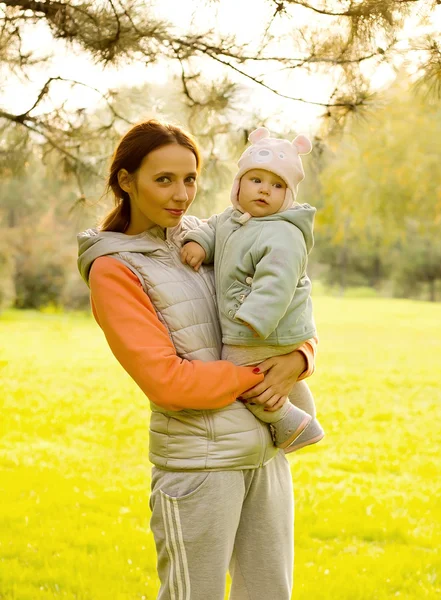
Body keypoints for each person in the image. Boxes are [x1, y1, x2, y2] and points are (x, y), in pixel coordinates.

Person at [77, 119, 318, 600]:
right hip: (200, 466)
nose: (181, 194)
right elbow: (169, 382)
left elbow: (287, 302)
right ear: (126, 181)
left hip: (263, 454)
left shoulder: (209, 236)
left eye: (190, 179)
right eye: (163, 179)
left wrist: (299, 358)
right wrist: (260, 376)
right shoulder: (114, 268)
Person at [181, 127, 324, 452]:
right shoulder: (232, 220)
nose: (264, 191)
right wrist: (199, 244)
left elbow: (278, 282)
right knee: (276, 377)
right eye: (256, 180)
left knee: (244, 379)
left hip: (263, 329)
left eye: (277, 185)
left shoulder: (283, 233)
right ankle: (306, 415)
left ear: (288, 195)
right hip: (262, 330)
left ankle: (289, 421)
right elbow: (212, 230)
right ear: (239, 184)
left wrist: (256, 318)